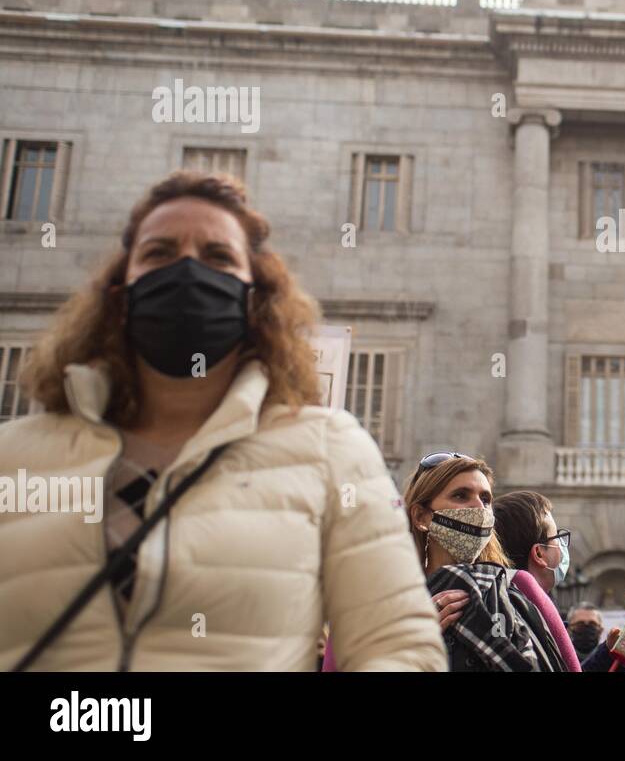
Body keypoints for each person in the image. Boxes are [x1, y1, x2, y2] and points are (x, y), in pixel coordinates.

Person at [0, 171, 445, 672]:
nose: (187, 271)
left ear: (255, 299)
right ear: (120, 294)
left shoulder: (330, 449)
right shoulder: (11, 456)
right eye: (160, 253)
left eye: (217, 257)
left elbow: (400, 647)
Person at [410, 454, 625, 672]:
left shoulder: (514, 588)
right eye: (461, 495)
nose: (479, 508)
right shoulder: (396, 601)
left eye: (486, 499)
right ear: (421, 516)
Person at [491, 489, 583, 671]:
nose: (562, 546)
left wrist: (607, 654)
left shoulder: (499, 599)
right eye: (557, 537)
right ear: (539, 553)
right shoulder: (529, 614)